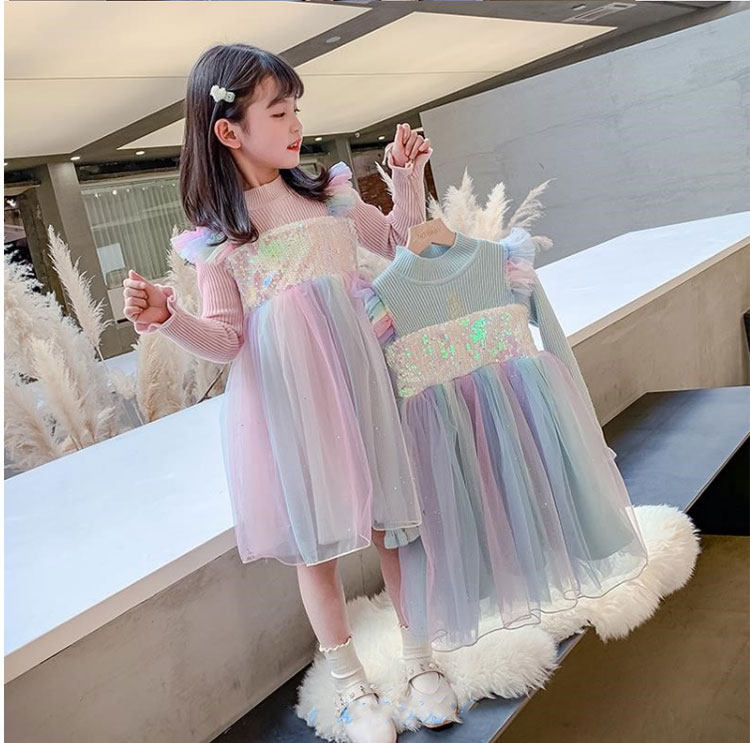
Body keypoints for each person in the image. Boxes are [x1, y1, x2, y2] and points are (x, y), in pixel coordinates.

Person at [121, 43, 452, 742]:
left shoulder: (327, 196)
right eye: (278, 111)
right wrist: (168, 319)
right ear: (228, 130)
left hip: (363, 384)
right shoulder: (221, 241)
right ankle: (352, 689)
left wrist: (407, 176)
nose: (296, 123)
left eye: (295, 107)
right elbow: (226, 340)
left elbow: (400, 242)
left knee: (395, 526)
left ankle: (422, 663)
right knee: (315, 548)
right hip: (291, 406)